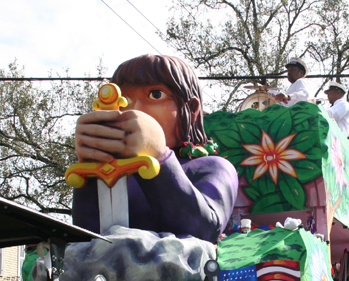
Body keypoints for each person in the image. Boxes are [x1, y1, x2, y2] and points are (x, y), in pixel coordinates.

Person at [72, 54, 238, 242]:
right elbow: (85, 237)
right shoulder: (113, 170)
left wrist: (158, 155)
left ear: (191, 109)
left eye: (155, 95)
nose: (136, 110)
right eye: (125, 99)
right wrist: (90, 170)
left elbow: (204, 231)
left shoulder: (212, 167)